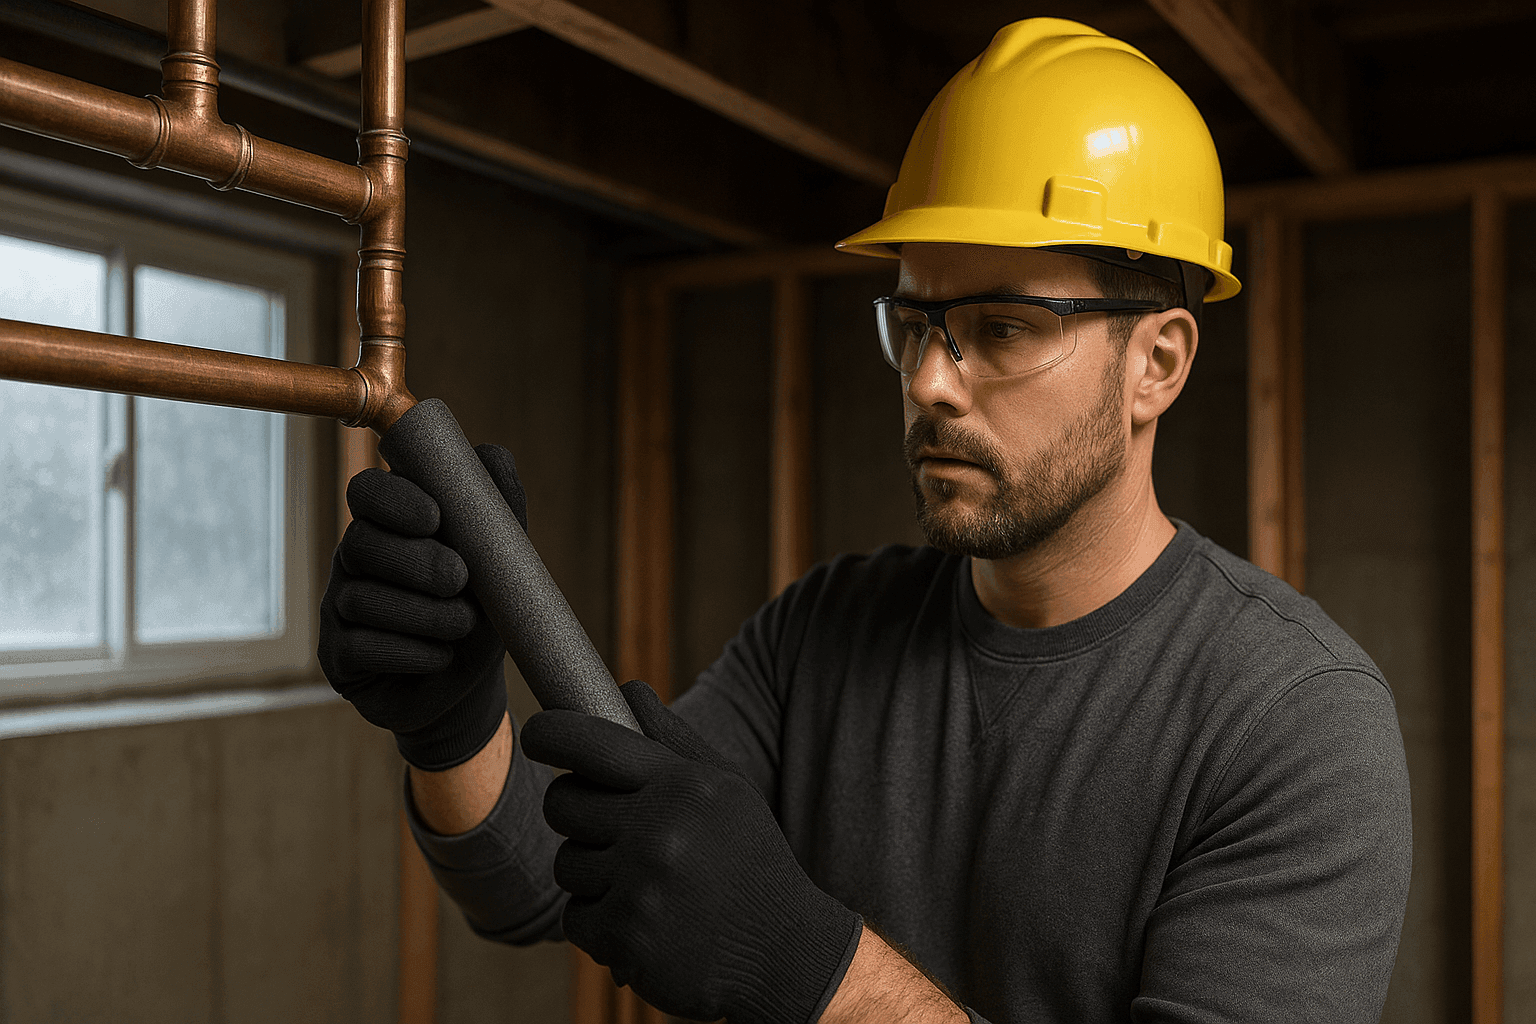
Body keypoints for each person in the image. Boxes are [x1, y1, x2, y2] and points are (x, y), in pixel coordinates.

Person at [319, 18, 1412, 1024]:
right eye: (917, 321)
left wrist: (808, 965)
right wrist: (453, 721)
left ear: (1157, 365)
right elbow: (541, 878)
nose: (933, 379)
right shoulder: (822, 632)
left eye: (1003, 326)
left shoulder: (1297, 722)